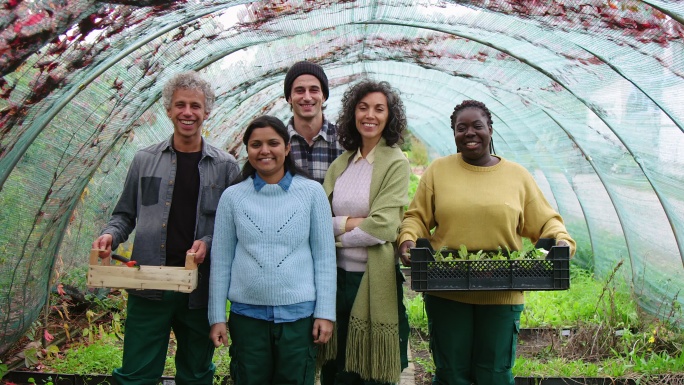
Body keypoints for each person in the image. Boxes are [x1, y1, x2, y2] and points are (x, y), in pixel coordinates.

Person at [398, 100, 576, 385]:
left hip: (503, 291)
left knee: (494, 374)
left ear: (490, 130)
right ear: (454, 134)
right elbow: (417, 218)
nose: (470, 133)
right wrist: (407, 240)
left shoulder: (517, 176)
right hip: (447, 289)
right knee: (450, 374)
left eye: (477, 126)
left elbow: (545, 222)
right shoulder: (438, 171)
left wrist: (561, 241)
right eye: (461, 128)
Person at [91, 71, 240, 385]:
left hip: (198, 290)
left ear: (206, 111)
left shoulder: (225, 166)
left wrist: (208, 242)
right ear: (168, 110)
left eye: (195, 106)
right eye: (181, 105)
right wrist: (110, 235)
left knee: (197, 373)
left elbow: (234, 227)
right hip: (149, 285)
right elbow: (125, 215)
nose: (188, 113)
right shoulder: (145, 161)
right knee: (136, 373)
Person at [208, 115, 337, 385]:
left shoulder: (312, 193)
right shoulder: (232, 197)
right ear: (248, 150)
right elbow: (221, 261)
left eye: (273, 143)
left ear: (287, 148)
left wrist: (325, 313)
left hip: (299, 318)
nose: (264, 150)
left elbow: (324, 258)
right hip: (247, 318)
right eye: (256, 144)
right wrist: (217, 317)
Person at [321, 80, 411, 385]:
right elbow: (318, 218)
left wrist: (333, 235)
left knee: (369, 371)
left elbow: (382, 227)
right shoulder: (341, 164)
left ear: (389, 117)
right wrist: (354, 222)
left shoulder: (395, 163)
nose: (369, 115)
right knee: (337, 367)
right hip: (336, 280)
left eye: (378, 109)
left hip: (372, 280)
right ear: (352, 114)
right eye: (362, 107)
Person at [284, 60, 344, 183]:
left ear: (324, 96)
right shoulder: (278, 142)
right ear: (289, 97)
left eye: (314, 90)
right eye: (299, 90)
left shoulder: (345, 141)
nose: (307, 97)